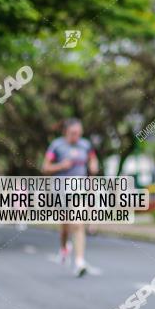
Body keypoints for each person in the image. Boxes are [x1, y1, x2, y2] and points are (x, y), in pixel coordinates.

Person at [42, 118, 98, 277]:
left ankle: (80, 261)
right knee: (65, 227)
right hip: (60, 191)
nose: (77, 136)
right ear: (66, 132)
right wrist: (61, 166)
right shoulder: (56, 146)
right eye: (73, 133)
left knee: (78, 223)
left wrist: (93, 165)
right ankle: (63, 247)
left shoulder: (85, 145)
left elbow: (93, 158)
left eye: (79, 133)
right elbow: (45, 167)